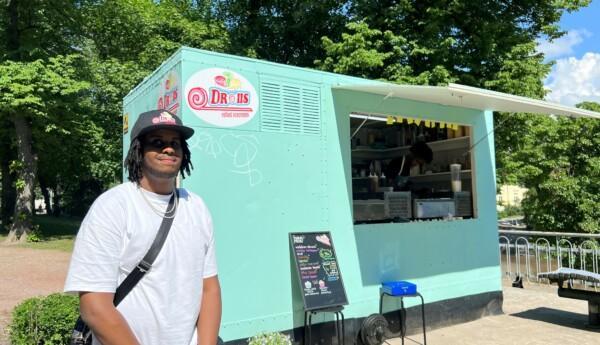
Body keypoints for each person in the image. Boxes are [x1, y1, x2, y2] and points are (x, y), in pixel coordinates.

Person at [64, 109, 221, 345]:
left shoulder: (196, 206)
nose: (168, 149)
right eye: (157, 143)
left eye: (175, 143)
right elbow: (94, 307)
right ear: (139, 150)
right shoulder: (113, 206)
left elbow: (209, 288)